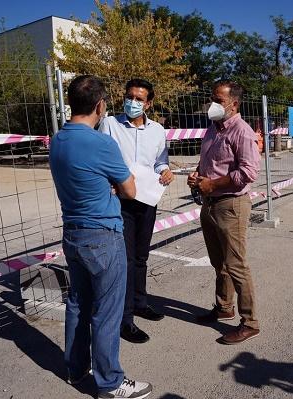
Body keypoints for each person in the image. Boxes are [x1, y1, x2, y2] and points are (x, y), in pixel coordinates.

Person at [50, 75, 152, 398]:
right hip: (104, 236)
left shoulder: (58, 140)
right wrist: (114, 182)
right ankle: (109, 381)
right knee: (107, 310)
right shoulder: (102, 143)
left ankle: (76, 368)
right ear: (99, 105)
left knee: (78, 302)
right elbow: (131, 189)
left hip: (73, 233)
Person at [99, 78, 174, 344]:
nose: (133, 102)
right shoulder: (109, 124)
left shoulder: (157, 130)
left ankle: (140, 303)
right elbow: (102, 157)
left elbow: (159, 161)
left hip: (146, 199)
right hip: (119, 200)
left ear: (149, 103)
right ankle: (124, 319)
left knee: (141, 256)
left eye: (139, 99)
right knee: (126, 261)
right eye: (130, 96)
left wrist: (164, 171)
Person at [187, 80, 261, 344]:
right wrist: (199, 175)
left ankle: (250, 322)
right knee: (219, 262)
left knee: (236, 265)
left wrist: (213, 183)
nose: (213, 105)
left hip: (231, 204)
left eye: (219, 100)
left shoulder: (241, 131)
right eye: (212, 99)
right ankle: (224, 307)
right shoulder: (212, 128)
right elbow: (208, 160)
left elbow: (248, 172)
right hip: (210, 203)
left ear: (234, 104)